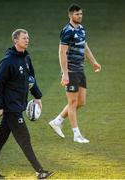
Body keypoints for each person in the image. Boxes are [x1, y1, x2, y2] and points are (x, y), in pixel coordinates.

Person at [0, 29, 54, 179]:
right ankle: (40, 171)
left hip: (17, 105)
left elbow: (31, 79)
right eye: (24, 38)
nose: (27, 40)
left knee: (0, 138)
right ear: (15, 41)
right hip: (11, 107)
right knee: (24, 138)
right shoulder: (7, 61)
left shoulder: (26, 58)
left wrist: (37, 96)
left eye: (28, 38)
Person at [49, 4, 101, 143]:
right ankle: (76, 135)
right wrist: (65, 73)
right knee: (72, 102)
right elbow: (62, 52)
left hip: (80, 69)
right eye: (77, 14)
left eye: (81, 14)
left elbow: (84, 46)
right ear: (70, 15)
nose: (80, 16)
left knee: (81, 102)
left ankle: (57, 121)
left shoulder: (82, 29)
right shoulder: (67, 31)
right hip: (70, 71)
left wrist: (94, 62)